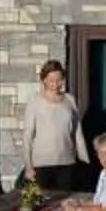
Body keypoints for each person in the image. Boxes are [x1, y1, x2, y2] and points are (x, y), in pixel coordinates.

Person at [22, 59, 88, 194]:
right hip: (41, 164)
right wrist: (28, 166)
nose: (55, 84)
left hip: (67, 162)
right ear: (44, 80)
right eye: (51, 80)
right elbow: (28, 135)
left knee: (64, 202)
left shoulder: (70, 100)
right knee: (41, 205)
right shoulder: (34, 100)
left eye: (59, 79)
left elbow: (77, 134)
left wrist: (85, 161)